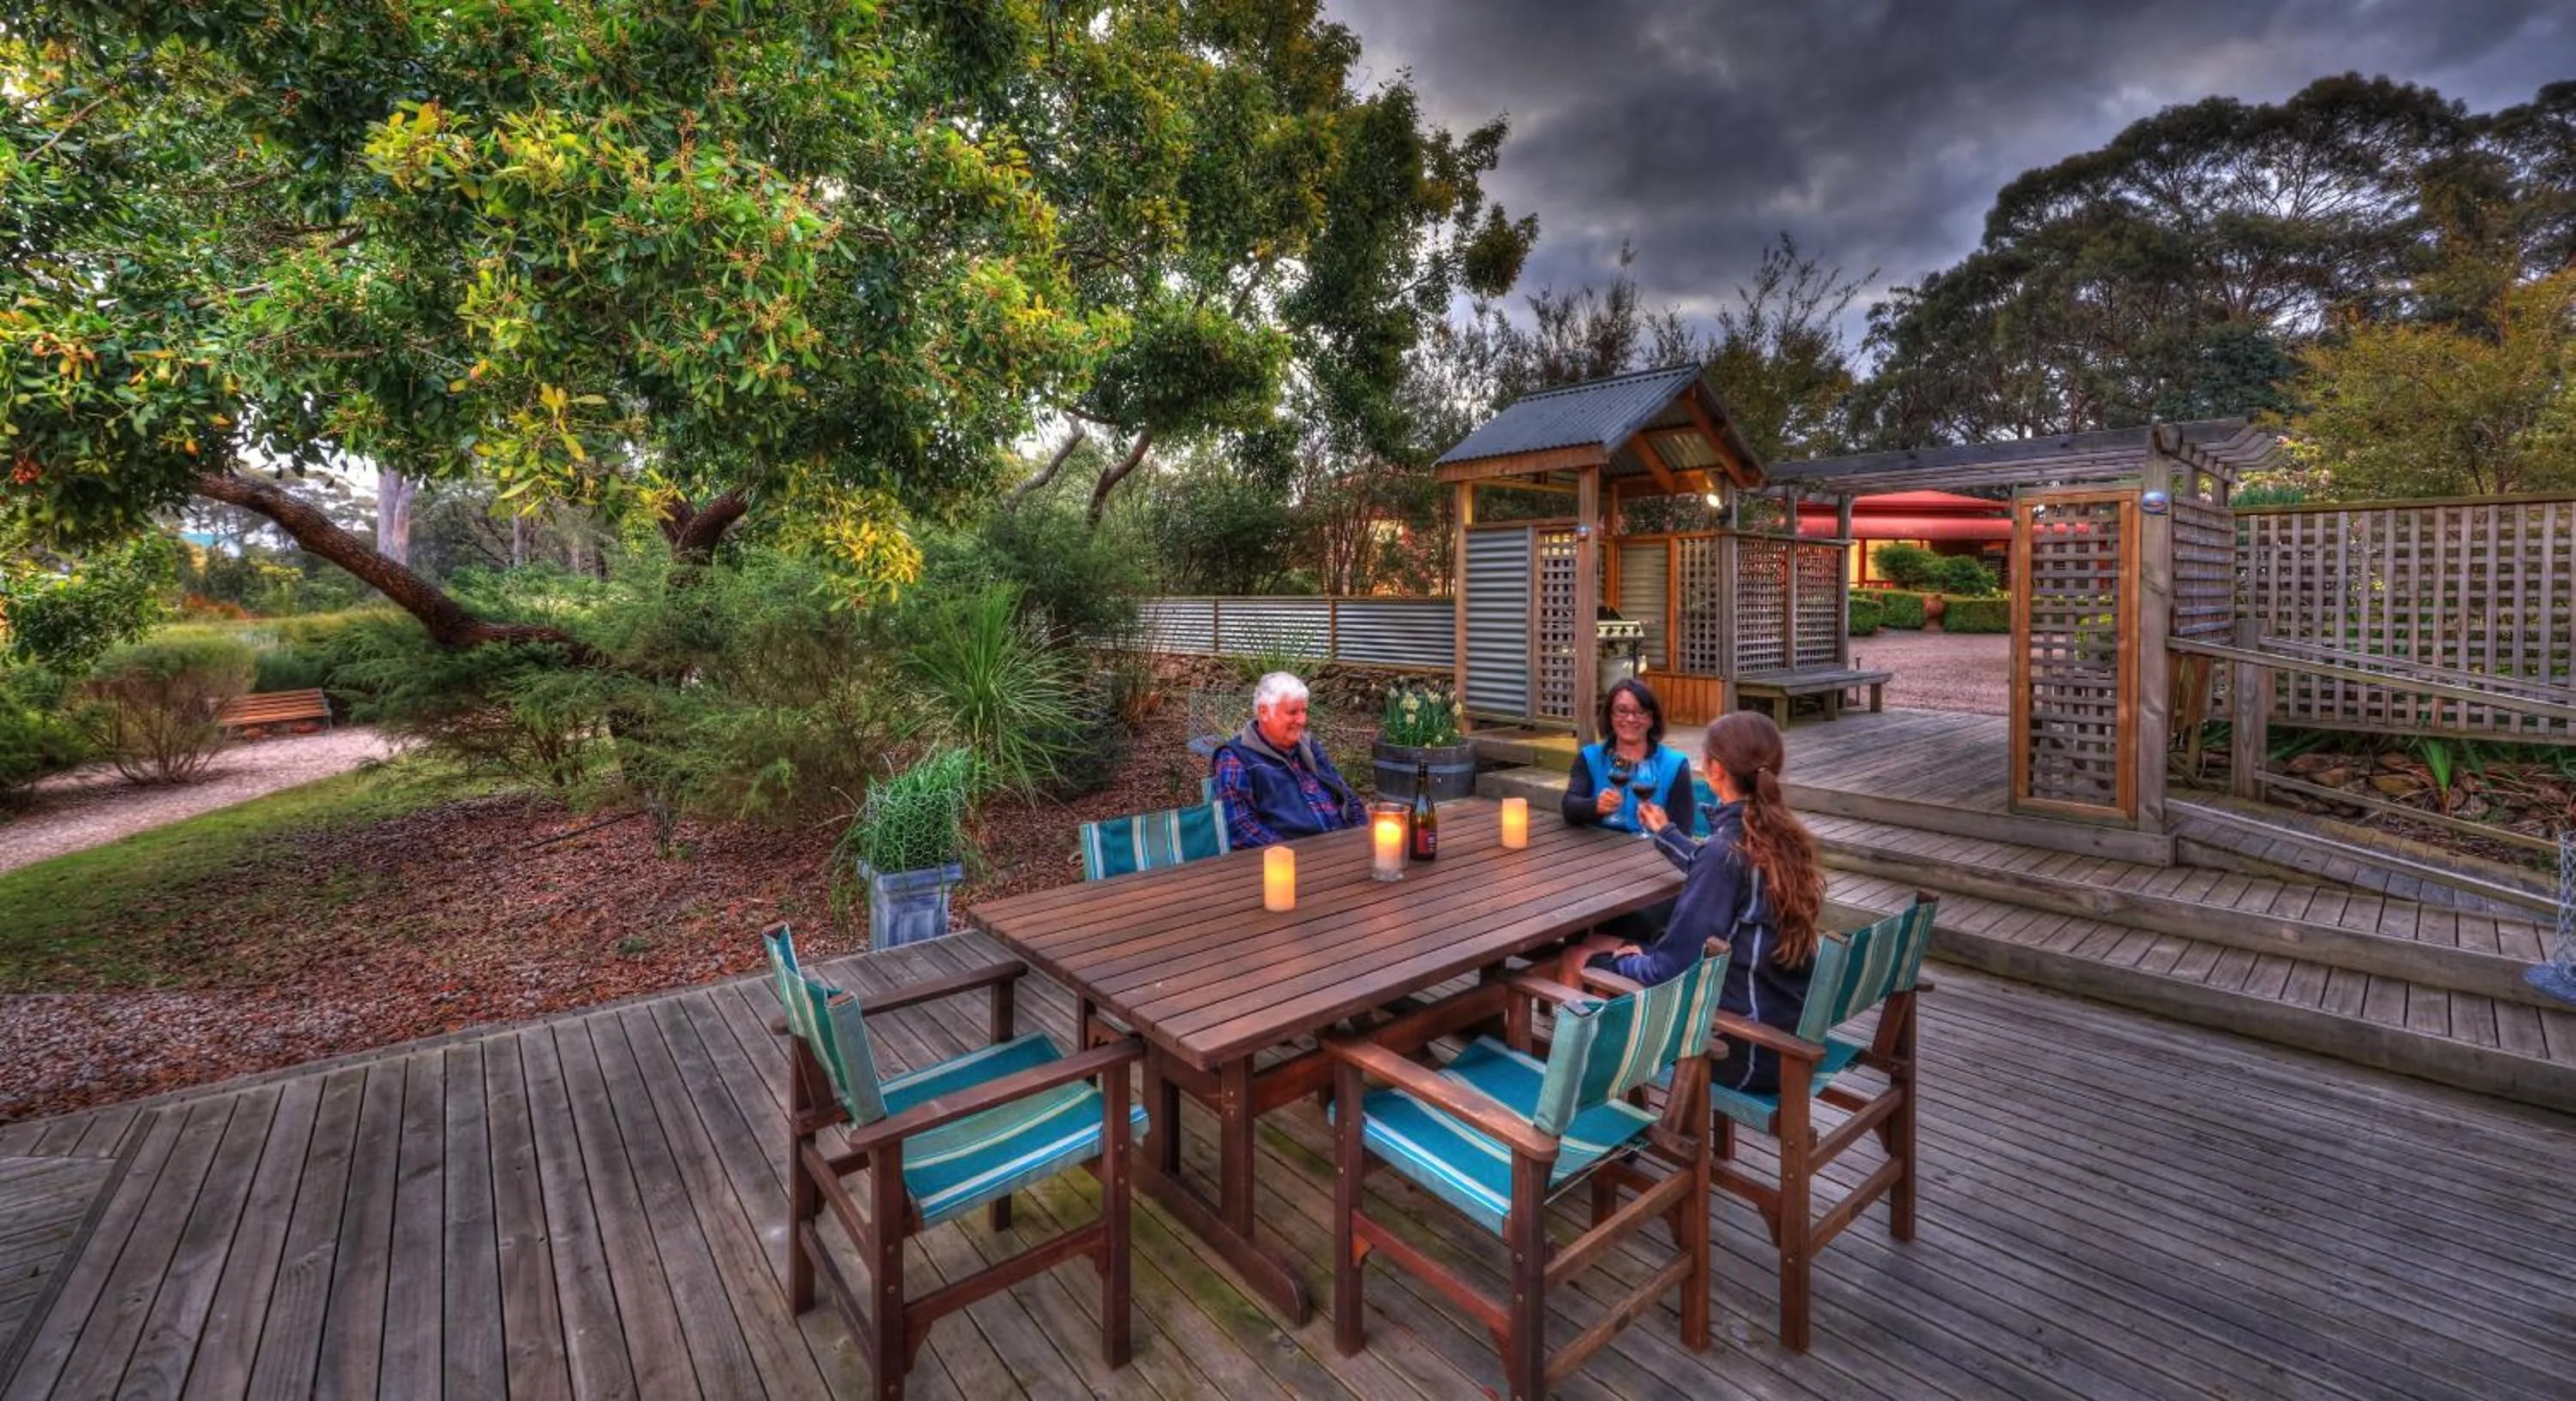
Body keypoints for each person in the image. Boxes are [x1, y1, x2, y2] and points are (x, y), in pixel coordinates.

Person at [1575, 710, 1827, 1096]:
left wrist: (1628, 959)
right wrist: (1666, 833)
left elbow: (1670, 968)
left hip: (1740, 1045)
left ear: (1715, 769)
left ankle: (1582, 1107)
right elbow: (1721, 872)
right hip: (1781, 1016)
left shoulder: (1727, 852)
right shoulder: (1779, 835)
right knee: (1598, 944)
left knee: (1577, 960)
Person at [1210, 671, 1367, 849]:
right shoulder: (1235, 758)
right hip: (1292, 864)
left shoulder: (1308, 746)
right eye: (1293, 712)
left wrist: (1361, 835)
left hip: (1342, 847)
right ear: (1264, 712)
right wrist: (1291, 855)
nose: (1302, 720)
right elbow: (1241, 828)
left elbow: (1347, 796)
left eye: (1304, 711)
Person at [1560, 678, 1695, 836]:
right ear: (1610, 716)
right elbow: (1569, 807)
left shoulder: (1675, 764)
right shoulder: (1590, 757)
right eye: (1622, 711)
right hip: (1600, 851)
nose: (1630, 719)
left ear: (1651, 719)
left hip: (1653, 857)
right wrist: (1595, 806)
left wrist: (1664, 827)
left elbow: (1684, 833)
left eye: (1639, 712)